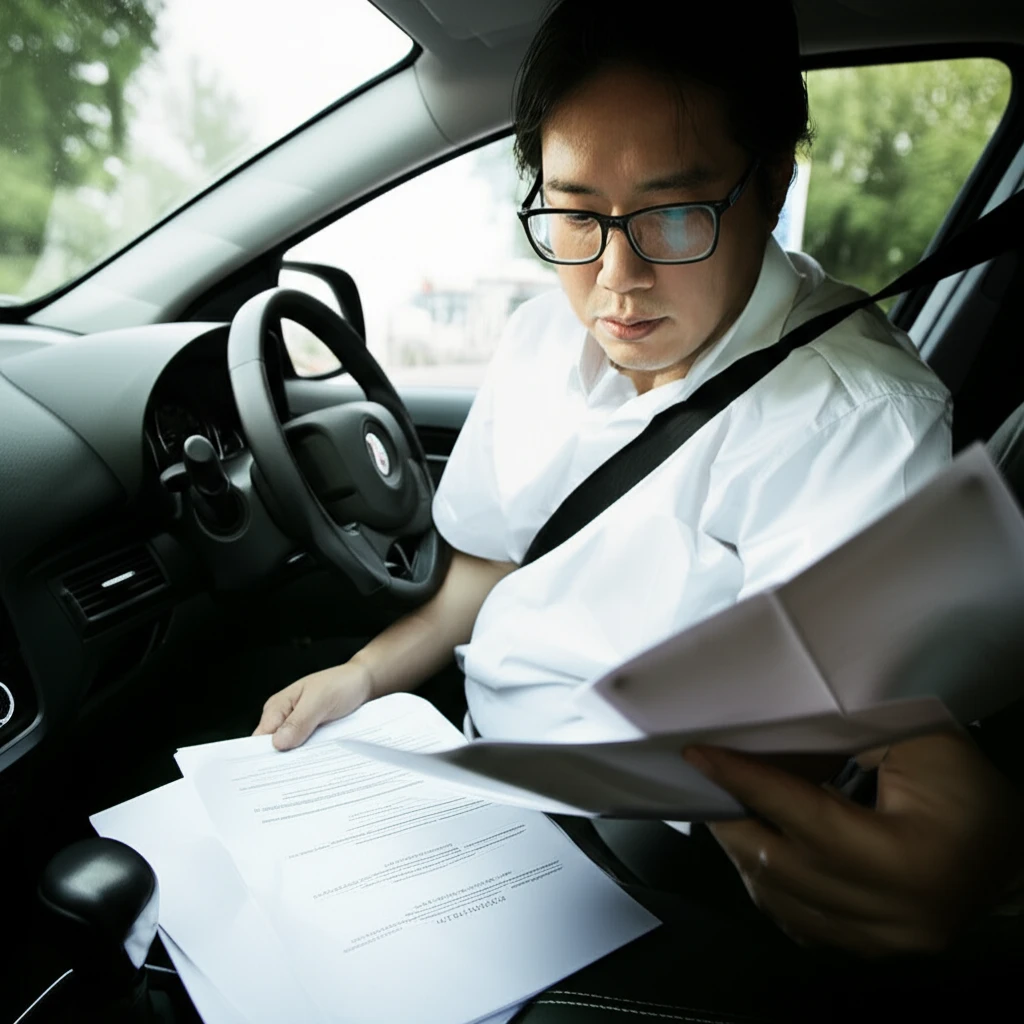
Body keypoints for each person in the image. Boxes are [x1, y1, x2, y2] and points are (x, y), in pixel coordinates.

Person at [254, 0, 1022, 962]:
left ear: (774, 177)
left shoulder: (856, 420)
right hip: (467, 773)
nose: (617, 279)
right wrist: (361, 677)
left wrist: (976, 854)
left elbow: (885, 724)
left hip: (644, 862)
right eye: (575, 214)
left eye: (673, 213)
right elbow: (491, 569)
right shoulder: (543, 335)